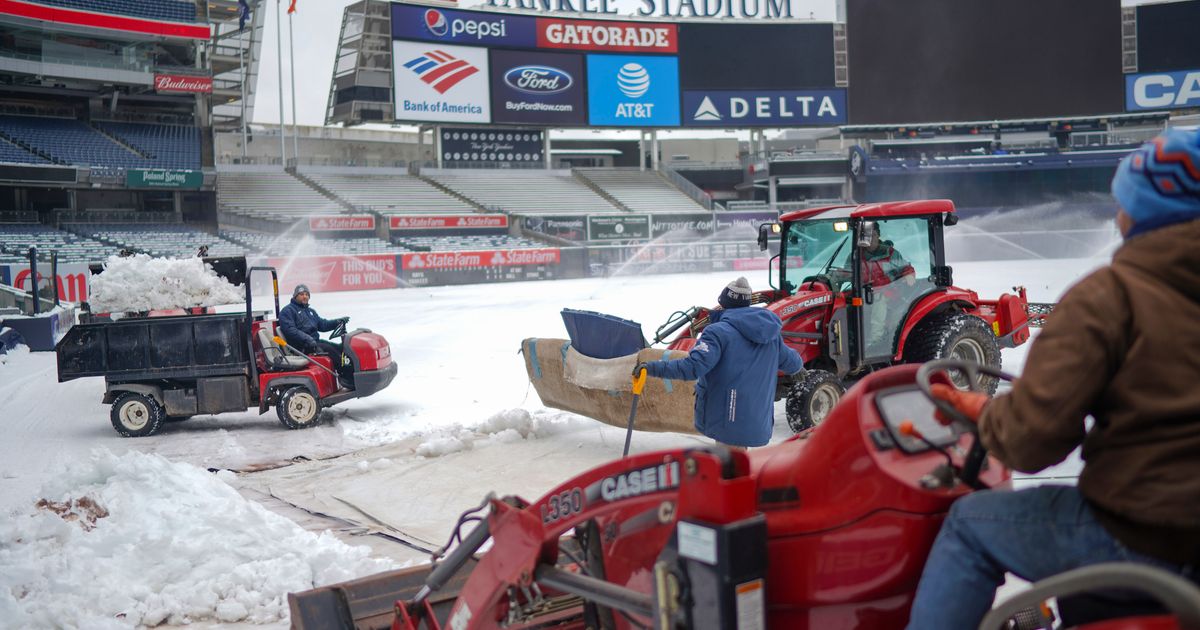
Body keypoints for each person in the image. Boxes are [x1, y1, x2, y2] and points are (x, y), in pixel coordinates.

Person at [906, 128, 1200, 630]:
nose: (1117, 215)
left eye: (1122, 203)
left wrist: (982, 412)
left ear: (1141, 212)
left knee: (969, 526)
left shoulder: (1110, 297)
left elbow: (1031, 442)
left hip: (1142, 537)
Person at [636, 277, 804, 448]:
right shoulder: (771, 334)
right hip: (756, 417)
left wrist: (652, 367)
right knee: (738, 464)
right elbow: (792, 361)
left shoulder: (717, 332)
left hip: (727, 417)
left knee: (729, 468)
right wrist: (799, 368)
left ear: (723, 303)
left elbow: (692, 368)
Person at [278, 284, 352, 383]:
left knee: (340, 348)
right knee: (332, 352)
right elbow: (290, 330)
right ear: (295, 296)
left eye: (306, 294)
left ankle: (350, 373)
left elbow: (323, 325)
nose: (304, 296)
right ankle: (346, 377)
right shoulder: (288, 311)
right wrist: (307, 339)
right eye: (301, 294)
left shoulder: (310, 311)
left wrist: (337, 322)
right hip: (302, 346)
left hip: (314, 342)